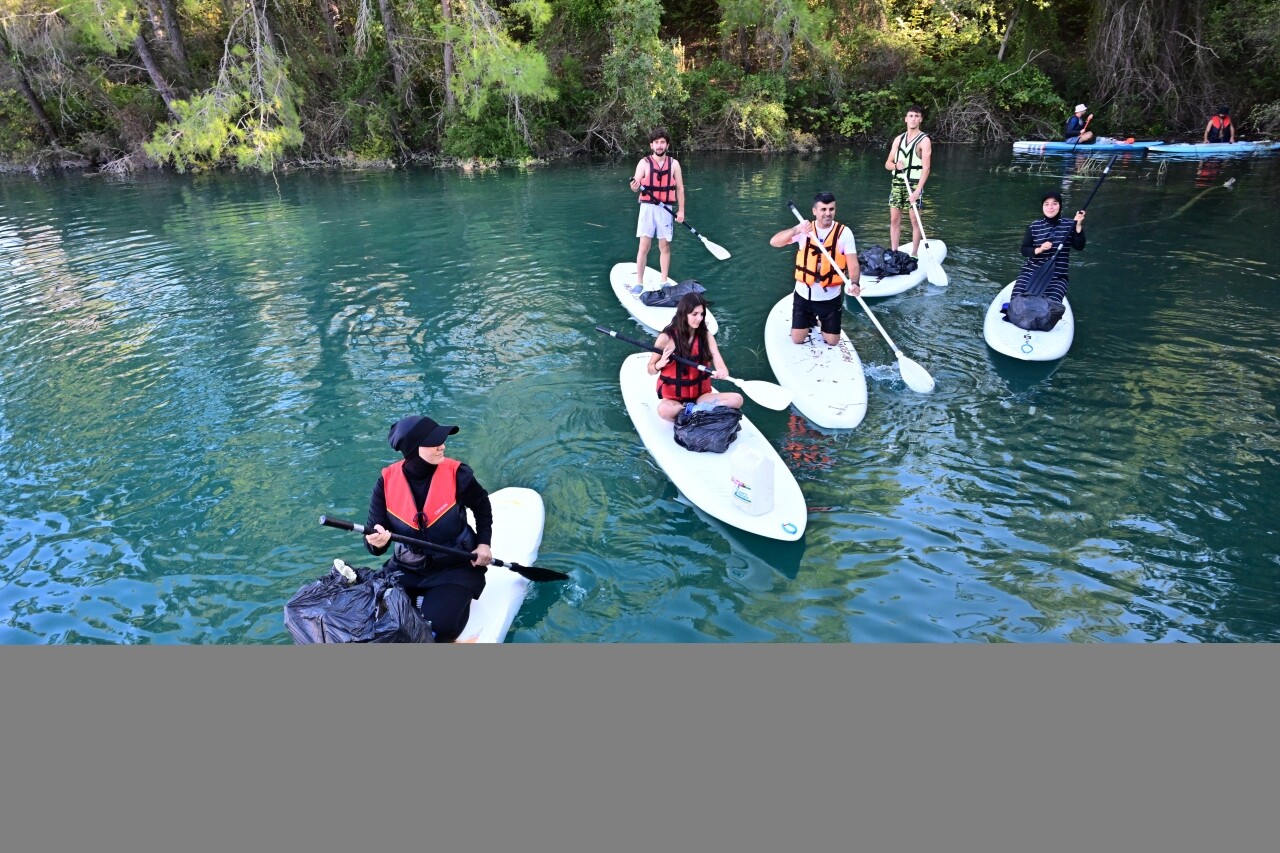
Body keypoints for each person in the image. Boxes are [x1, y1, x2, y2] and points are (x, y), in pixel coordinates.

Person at [363, 415, 493, 643]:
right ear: (414, 449)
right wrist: (376, 543)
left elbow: (482, 507)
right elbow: (372, 538)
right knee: (374, 618)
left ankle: (444, 603)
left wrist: (484, 543)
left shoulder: (458, 474)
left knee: (439, 628)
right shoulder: (385, 483)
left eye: (442, 440)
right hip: (407, 568)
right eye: (434, 442)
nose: (442, 446)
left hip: (455, 566)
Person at [769, 191, 860, 347]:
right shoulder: (805, 230)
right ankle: (810, 319)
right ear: (814, 211)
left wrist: (855, 282)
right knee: (797, 339)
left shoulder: (844, 233)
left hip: (830, 297)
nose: (828, 213)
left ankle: (821, 321)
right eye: (823, 209)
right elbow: (774, 242)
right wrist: (796, 230)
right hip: (804, 295)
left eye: (831, 209)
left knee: (832, 342)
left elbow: (853, 264)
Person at [648, 292, 743, 422]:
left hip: (701, 397)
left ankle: (693, 412)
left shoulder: (706, 335)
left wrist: (722, 371)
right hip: (674, 400)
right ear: (683, 314)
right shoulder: (665, 338)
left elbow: (717, 358)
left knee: (737, 399)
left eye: (702, 314)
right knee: (664, 410)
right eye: (694, 314)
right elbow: (650, 369)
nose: (699, 318)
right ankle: (695, 412)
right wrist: (660, 364)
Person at [628, 128, 686, 293]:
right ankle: (639, 282)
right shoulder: (644, 163)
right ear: (651, 145)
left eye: (662, 142)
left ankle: (664, 281)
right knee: (644, 246)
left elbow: (680, 189)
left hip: (665, 209)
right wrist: (634, 187)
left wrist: (681, 211)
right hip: (647, 208)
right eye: (656, 143)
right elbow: (635, 185)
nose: (659, 146)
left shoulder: (674, 164)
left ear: (667, 145)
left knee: (664, 246)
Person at [1012, 189, 1086, 307]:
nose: (1050, 207)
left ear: (1060, 206)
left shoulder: (1070, 224)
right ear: (1042, 207)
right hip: (1031, 272)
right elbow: (1024, 250)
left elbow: (1079, 246)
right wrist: (1039, 249)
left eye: (1054, 203)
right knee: (1017, 304)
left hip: (1057, 276)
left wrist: (1078, 226)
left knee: (1049, 311)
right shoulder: (1034, 226)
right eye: (1046, 204)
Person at [884, 105, 932, 257]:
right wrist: (896, 166)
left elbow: (926, 169)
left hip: (914, 183)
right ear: (906, 119)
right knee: (894, 219)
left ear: (920, 119)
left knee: (914, 220)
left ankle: (915, 253)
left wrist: (918, 191)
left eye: (916, 116)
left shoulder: (924, 141)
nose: (913, 119)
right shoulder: (898, 139)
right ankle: (894, 251)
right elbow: (887, 164)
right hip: (898, 182)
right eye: (910, 116)